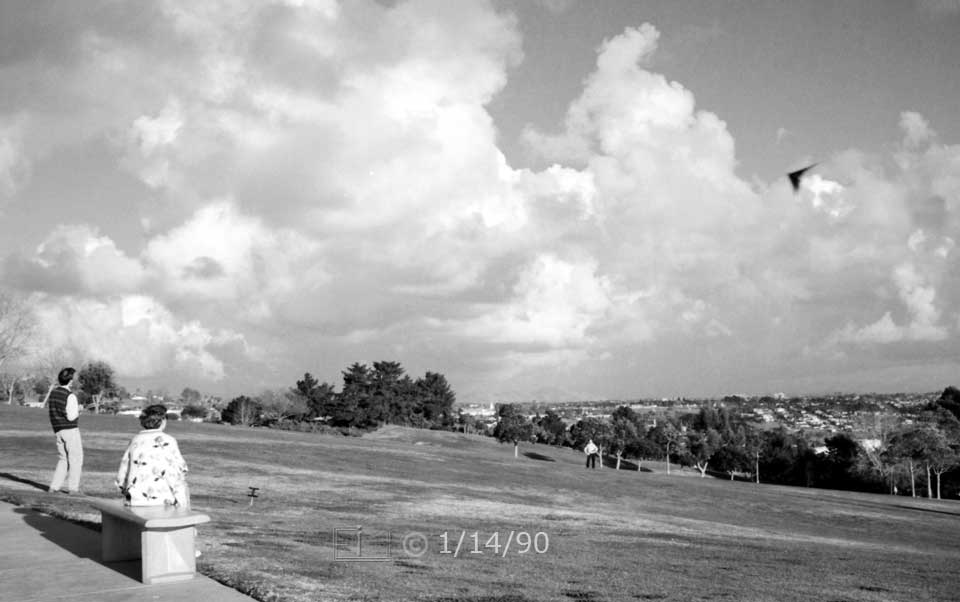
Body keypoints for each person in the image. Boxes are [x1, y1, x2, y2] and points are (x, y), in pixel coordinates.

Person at [115, 404, 190, 508]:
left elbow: (122, 473)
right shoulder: (168, 441)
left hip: (135, 500)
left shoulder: (135, 440)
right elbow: (178, 471)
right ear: (163, 420)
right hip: (163, 501)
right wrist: (182, 502)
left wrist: (125, 492)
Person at [47, 367, 84, 495]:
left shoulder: (53, 393)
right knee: (76, 459)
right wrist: (79, 409)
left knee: (63, 459)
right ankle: (73, 489)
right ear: (70, 380)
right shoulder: (70, 396)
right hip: (70, 430)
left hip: (58, 430)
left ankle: (54, 487)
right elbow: (71, 416)